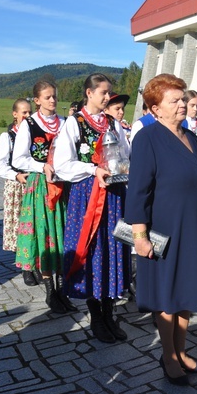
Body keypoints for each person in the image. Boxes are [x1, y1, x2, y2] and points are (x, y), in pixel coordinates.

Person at [125, 74, 197, 385]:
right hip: (163, 230)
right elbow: (138, 191)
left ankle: (181, 350)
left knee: (186, 291)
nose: (182, 104)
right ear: (155, 109)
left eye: (182, 98)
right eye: (174, 100)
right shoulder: (147, 138)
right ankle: (168, 355)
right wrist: (139, 236)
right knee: (167, 295)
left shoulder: (191, 137)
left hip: (193, 227)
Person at [55, 73, 131, 343]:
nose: (108, 97)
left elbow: (125, 154)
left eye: (109, 92)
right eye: (103, 93)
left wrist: (124, 169)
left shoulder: (113, 123)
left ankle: (109, 310)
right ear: (89, 93)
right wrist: (92, 169)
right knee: (92, 249)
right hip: (88, 196)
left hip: (113, 195)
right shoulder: (74, 123)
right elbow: (63, 164)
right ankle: (96, 314)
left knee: (113, 248)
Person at [12, 81, 75, 314]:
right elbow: (18, 159)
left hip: (65, 184)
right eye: (47, 97)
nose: (53, 100)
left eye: (54, 97)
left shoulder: (66, 123)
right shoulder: (29, 124)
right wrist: (41, 166)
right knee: (46, 234)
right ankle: (50, 292)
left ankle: (61, 289)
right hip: (41, 186)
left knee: (64, 234)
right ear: (37, 100)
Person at [0, 98, 33, 284]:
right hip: (16, 185)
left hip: (33, 183)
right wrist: (15, 176)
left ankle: (35, 262)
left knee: (32, 224)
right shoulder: (7, 137)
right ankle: (25, 267)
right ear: (15, 114)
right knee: (18, 225)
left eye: (29, 112)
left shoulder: (34, 133)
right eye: (23, 112)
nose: (27, 116)